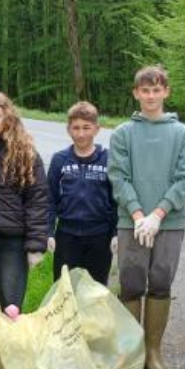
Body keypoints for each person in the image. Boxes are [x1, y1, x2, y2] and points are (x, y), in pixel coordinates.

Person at [109, 64, 185, 369]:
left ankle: (153, 351)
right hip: (130, 221)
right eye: (144, 90)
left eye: (156, 89)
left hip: (169, 223)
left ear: (166, 92)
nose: (150, 95)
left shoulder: (182, 134)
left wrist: (158, 214)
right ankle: (131, 353)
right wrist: (137, 215)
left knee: (160, 281)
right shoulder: (122, 134)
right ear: (136, 93)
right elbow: (119, 177)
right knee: (131, 283)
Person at [0, 91, 50, 310]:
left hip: (13, 241)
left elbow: (37, 199)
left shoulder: (25, 152)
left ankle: (9, 345)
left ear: (8, 117)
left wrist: (36, 244)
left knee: (10, 305)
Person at [46, 100, 118, 285]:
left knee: (95, 290)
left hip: (100, 236)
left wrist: (116, 233)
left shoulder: (109, 160)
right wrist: (48, 232)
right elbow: (49, 200)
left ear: (97, 128)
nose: (81, 133)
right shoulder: (59, 160)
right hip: (66, 236)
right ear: (68, 129)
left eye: (86, 127)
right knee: (64, 288)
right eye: (76, 128)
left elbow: (118, 200)